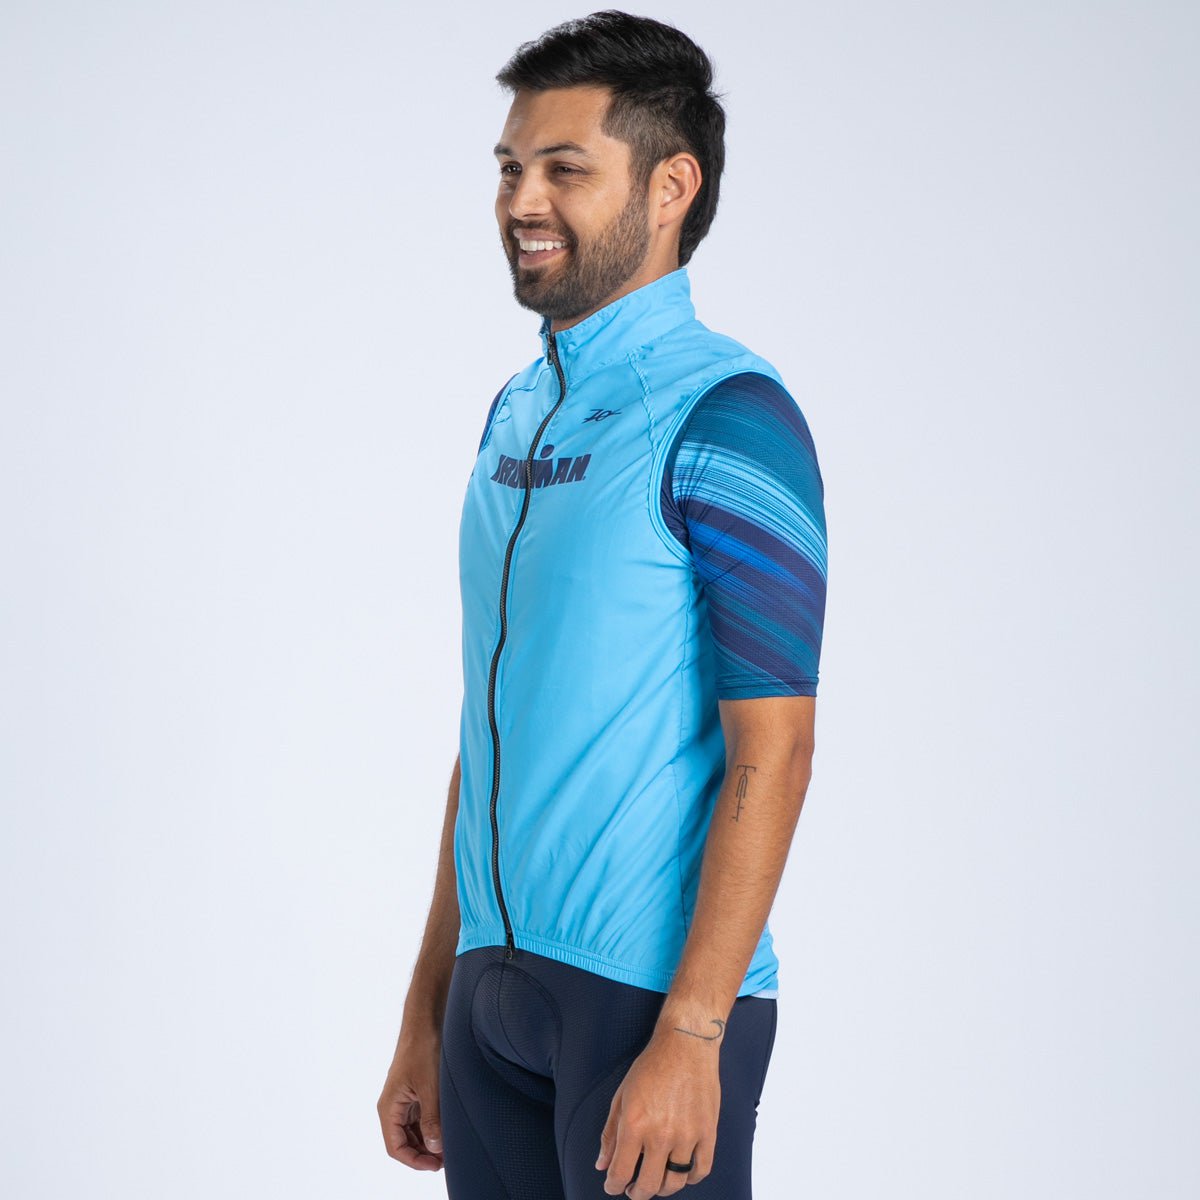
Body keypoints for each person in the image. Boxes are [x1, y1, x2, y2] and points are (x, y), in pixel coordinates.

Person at [377, 11, 828, 1199]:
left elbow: (774, 750)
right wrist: (429, 1000)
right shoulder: (517, 412)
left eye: (565, 169)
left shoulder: (730, 417)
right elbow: (495, 725)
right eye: (510, 167)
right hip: (490, 998)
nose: (523, 201)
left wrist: (693, 1032)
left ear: (670, 187)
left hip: (643, 1002)